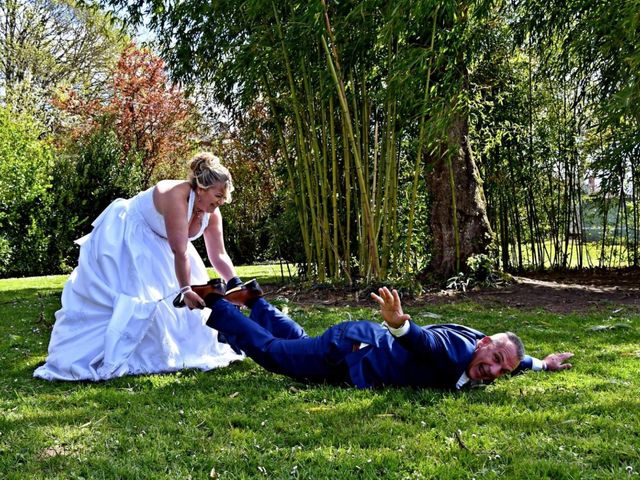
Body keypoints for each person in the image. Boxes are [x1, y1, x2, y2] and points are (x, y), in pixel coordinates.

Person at [34, 152, 244, 381]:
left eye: (225, 197)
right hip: (129, 234)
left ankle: (175, 350)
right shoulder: (176, 196)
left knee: (180, 309)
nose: (222, 201)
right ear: (201, 188)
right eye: (218, 195)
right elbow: (179, 251)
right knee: (139, 298)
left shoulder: (211, 213)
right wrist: (185, 291)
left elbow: (219, 254)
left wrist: (236, 285)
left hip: (164, 243)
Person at [202, 282, 573, 390]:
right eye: (493, 361)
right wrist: (401, 325)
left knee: (300, 343)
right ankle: (219, 305)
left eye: (501, 371)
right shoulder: (455, 352)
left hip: (355, 352)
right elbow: (425, 342)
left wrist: (541, 364)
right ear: (483, 343)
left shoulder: (494, 353)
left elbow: (514, 360)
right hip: (353, 349)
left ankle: (256, 302)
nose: (493, 371)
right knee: (276, 355)